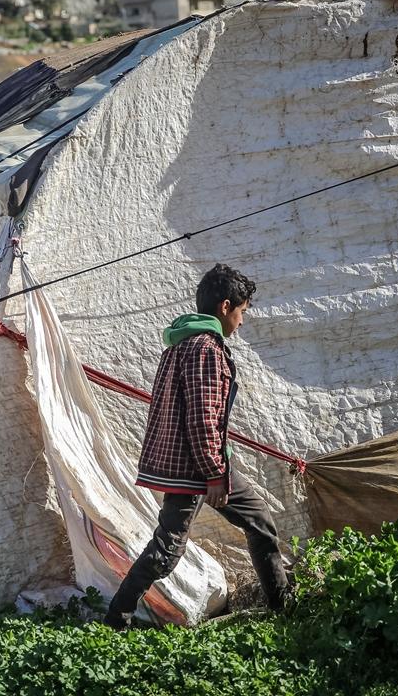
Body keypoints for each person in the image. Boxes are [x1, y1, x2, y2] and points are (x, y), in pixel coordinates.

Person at [104, 263, 290, 630]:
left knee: (260, 523)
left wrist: (219, 466)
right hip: (197, 464)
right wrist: (215, 474)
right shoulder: (206, 348)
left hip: (202, 459)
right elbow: (203, 419)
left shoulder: (184, 342)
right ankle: (116, 618)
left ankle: (283, 606)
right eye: (242, 312)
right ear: (225, 307)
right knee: (168, 551)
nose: (242, 321)